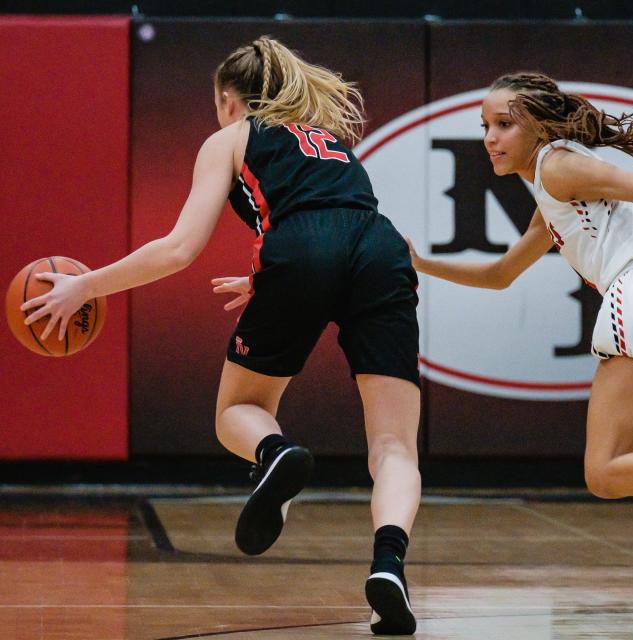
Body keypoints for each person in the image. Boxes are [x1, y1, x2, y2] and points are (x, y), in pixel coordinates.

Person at [20, 36, 420, 635]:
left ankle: (275, 454)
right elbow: (336, 217)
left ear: (229, 100)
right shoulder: (325, 138)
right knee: (393, 445)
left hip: (303, 252)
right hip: (383, 249)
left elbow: (180, 248)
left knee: (238, 408)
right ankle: (389, 566)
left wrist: (88, 287)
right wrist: (267, 274)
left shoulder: (232, 137)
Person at [407, 71, 633, 613]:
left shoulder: (558, 166)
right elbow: (502, 274)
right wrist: (422, 265)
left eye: (504, 124)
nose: (490, 137)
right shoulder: (551, 192)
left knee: (604, 473)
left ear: (537, 126)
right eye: (485, 125)